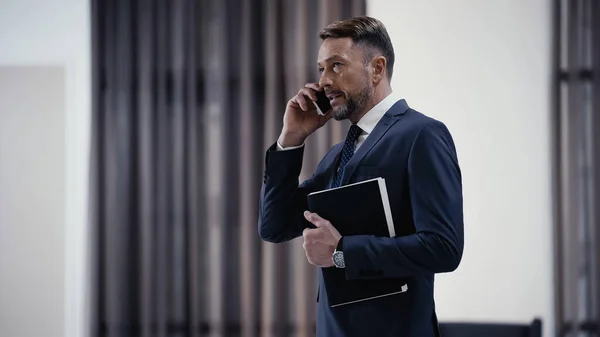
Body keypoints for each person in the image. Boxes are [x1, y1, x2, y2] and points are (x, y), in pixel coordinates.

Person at [258, 16, 464, 337]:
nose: (324, 80)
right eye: (321, 69)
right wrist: (291, 139)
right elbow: (274, 225)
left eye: (336, 65)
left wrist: (341, 252)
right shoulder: (337, 155)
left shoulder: (422, 134)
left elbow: (443, 247)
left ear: (377, 69)